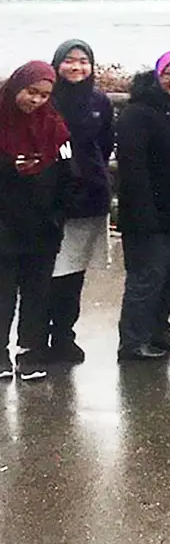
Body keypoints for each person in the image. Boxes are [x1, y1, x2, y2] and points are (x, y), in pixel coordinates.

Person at [115, 52, 170, 362]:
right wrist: (144, 216)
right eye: (169, 73)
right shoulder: (137, 113)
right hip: (147, 216)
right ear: (157, 76)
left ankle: (158, 332)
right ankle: (132, 342)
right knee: (146, 279)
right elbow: (132, 170)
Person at [0, 62, 75, 382]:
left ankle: (30, 351)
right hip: (3, 224)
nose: (36, 100)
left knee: (37, 292)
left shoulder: (55, 127)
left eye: (44, 95)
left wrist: (58, 216)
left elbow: (68, 175)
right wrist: (8, 167)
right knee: (2, 292)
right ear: (17, 86)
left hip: (42, 226)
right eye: (31, 92)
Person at [45, 39, 114, 363]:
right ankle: (36, 337)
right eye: (70, 60)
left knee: (74, 272)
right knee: (45, 271)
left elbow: (105, 143)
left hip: (89, 197)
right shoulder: (46, 99)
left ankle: (64, 335)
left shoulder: (99, 101)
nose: (77, 67)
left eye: (83, 61)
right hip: (49, 199)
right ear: (57, 64)